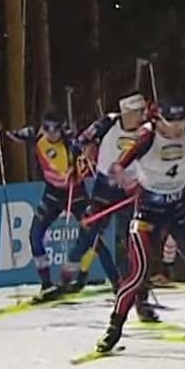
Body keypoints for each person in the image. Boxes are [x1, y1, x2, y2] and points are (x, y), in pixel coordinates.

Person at [95, 100, 185, 353]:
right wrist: (123, 178)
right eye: (173, 126)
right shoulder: (147, 137)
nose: (178, 131)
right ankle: (114, 329)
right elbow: (118, 166)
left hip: (178, 204)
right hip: (149, 209)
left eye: (182, 124)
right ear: (159, 121)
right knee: (139, 270)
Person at [0, 110, 91, 299]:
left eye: (55, 128)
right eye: (47, 127)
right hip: (53, 193)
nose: (51, 132)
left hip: (75, 192)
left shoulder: (71, 140)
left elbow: (86, 160)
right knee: (35, 233)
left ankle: (77, 273)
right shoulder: (35, 135)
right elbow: (12, 135)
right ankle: (46, 283)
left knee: (92, 230)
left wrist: (78, 169)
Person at [59, 93, 149, 296]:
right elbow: (79, 141)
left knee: (131, 238)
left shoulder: (146, 131)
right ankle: (70, 268)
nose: (142, 116)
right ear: (127, 112)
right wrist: (78, 161)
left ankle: (135, 290)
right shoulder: (108, 122)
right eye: (139, 112)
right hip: (104, 187)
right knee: (90, 229)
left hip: (129, 190)